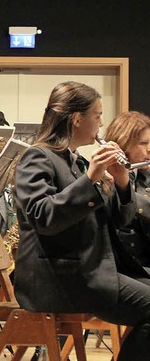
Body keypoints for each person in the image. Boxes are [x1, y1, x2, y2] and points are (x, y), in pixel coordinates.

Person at [13, 81, 150, 359]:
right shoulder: (37, 157)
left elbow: (121, 222)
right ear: (77, 119)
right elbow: (43, 217)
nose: (101, 123)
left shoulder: (75, 161)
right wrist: (90, 180)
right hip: (59, 278)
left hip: (87, 271)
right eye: (98, 116)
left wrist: (123, 184)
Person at [104, 111, 150, 275]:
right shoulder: (104, 178)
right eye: (143, 143)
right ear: (123, 144)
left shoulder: (144, 176)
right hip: (125, 269)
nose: (149, 149)